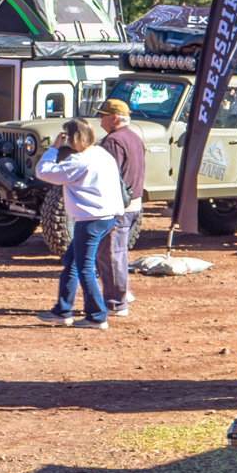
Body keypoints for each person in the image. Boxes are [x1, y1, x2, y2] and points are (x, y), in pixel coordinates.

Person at [33, 119, 125, 328]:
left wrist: (53, 148)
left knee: (84, 268)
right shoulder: (102, 154)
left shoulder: (79, 160)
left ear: (74, 137)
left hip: (90, 219)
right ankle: (62, 310)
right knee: (72, 261)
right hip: (106, 216)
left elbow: (43, 172)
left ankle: (96, 316)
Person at [96, 97, 145, 317]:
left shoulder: (112, 141)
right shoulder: (134, 137)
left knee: (110, 255)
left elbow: (109, 175)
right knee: (116, 253)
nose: (99, 120)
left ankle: (117, 303)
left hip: (117, 207)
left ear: (114, 118)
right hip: (133, 205)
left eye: (102, 115)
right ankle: (122, 294)